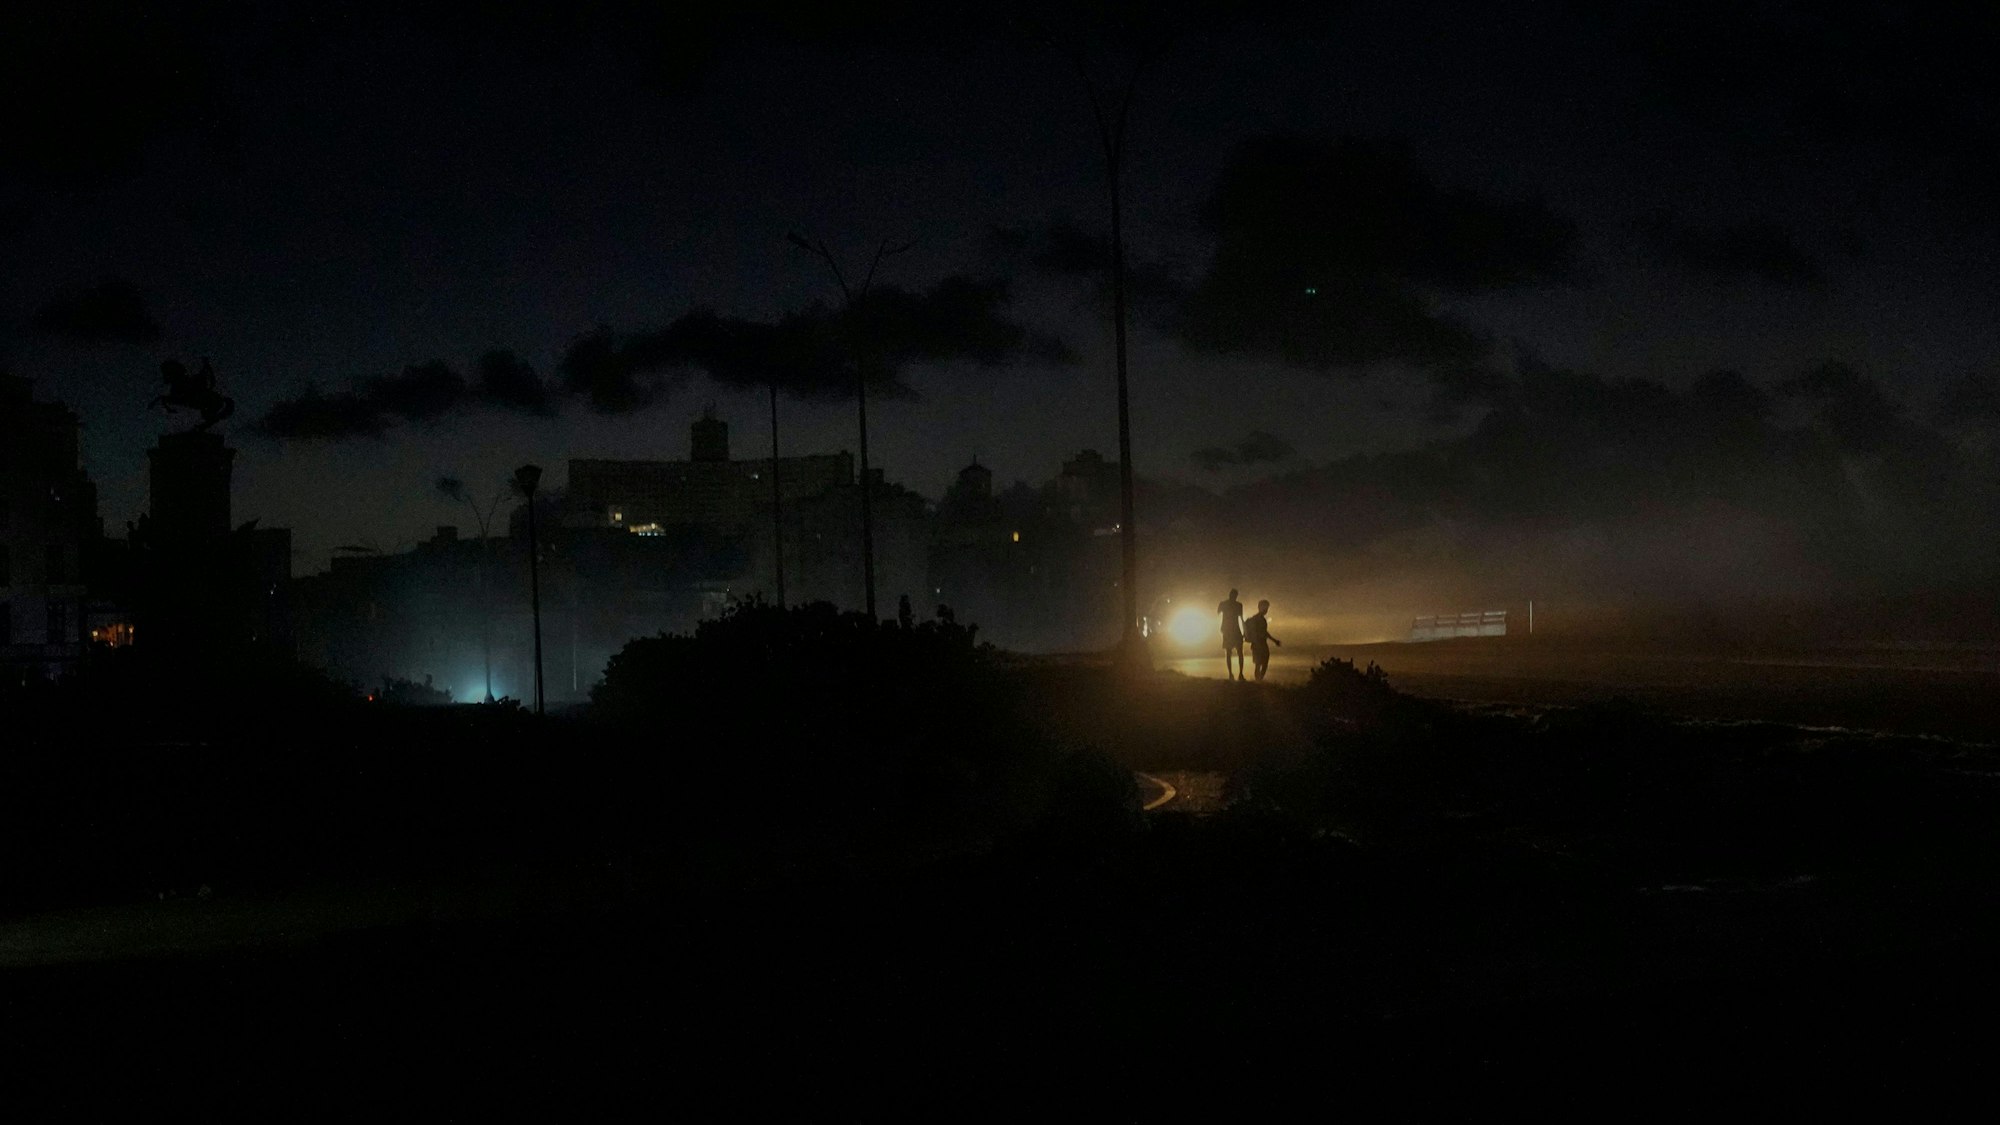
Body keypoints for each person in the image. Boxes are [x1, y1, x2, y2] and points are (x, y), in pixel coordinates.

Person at [1244, 599, 1282, 681]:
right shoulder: (1260, 620)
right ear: (1261, 608)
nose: (1266, 610)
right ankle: (1259, 680)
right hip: (1260, 644)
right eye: (1266, 608)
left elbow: (1265, 632)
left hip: (1257, 644)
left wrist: (1274, 640)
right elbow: (1264, 633)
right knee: (1262, 663)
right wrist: (1274, 641)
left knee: (1259, 663)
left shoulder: (1258, 619)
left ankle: (1258, 680)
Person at [1218, 588, 1246, 681]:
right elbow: (1241, 619)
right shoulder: (1238, 605)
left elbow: (1218, 613)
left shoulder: (1224, 604)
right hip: (1234, 630)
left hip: (1228, 630)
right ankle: (1239, 674)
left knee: (1229, 653)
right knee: (1239, 652)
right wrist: (1244, 631)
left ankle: (1232, 674)